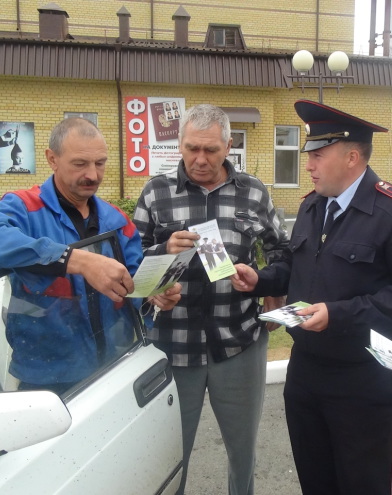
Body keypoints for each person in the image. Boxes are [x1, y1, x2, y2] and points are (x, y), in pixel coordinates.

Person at [231, 99, 392, 494]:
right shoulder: (312, 206)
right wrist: (258, 280)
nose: (307, 165)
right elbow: (296, 270)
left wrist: (339, 314)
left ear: (352, 157)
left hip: (364, 376)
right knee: (317, 481)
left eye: (318, 155)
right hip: (307, 373)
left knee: (364, 484)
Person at [133, 103, 289, 495]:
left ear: (229, 145)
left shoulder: (253, 192)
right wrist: (162, 253)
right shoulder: (156, 192)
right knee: (169, 458)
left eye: (211, 150)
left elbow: (283, 253)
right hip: (172, 347)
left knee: (242, 454)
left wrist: (261, 282)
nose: (199, 160)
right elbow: (128, 261)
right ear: (180, 144)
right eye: (191, 149)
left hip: (238, 344)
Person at [0, 117, 180, 394]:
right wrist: (76, 260)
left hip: (115, 367)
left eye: (100, 163)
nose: (93, 174)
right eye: (80, 164)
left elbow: (136, 284)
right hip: (46, 379)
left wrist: (156, 296)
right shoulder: (23, 207)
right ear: (52, 159)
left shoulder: (117, 220)